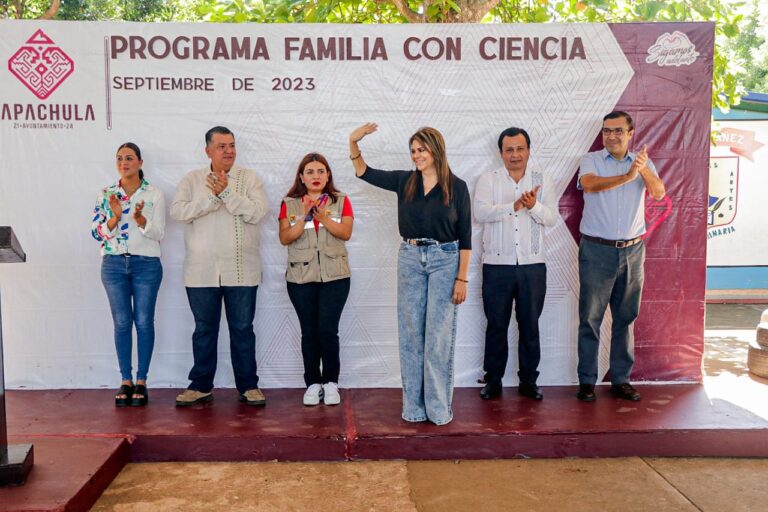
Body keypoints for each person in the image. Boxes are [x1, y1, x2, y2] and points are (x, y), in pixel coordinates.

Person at [349, 123, 471, 426]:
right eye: (413, 151)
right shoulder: (405, 181)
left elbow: (466, 237)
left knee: (438, 336)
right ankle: (414, 408)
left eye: (422, 149)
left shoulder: (457, 187)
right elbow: (364, 172)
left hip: (446, 259)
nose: (416, 155)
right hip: (411, 258)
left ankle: (439, 408)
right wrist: (353, 142)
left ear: (436, 149)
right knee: (411, 336)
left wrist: (462, 278)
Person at [170, 126, 268, 407]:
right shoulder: (192, 180)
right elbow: (178, 212)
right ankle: (200, 385)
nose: (229, 151)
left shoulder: (248, 178)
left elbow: (258, 212)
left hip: (241, 268)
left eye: (232, 145)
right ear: (208, 151)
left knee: (242, 328)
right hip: (201, 271)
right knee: (204, 329)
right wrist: (212, 199)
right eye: (222, 146)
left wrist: (226, 194)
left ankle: (249, 386)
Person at [576, 111, 665, 402]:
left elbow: (659, 193)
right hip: (596, 249)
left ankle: (621, 380)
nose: (611, 136)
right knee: (590, 318)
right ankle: (587, 382)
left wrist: (643, 169)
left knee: (626, 317)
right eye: (606, 131)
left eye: (617, 131)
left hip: (632, 250)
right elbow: (590, 184)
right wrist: (628, 175)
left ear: (630, 133)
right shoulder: (591, 160)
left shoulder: (643, 162)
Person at [474, 127, 559, 401]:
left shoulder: (541, 179)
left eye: (520, 148)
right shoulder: (488, 180)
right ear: (501, 153)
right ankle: (494, 380)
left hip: (533, 266)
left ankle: (529, 381)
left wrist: (533, 206)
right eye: (509, 149)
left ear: (529, 150)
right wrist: (513, 206)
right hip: (497, 266)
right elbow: (480, 213)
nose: (515, 154)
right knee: (496, 324)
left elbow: (551, 218)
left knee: (529, 324)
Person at [91, 142, 165, 407]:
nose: (124, 162)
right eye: (120, 158)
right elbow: (95, 232)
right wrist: (114, 217)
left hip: (146, 264)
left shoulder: (154, 194)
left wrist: (141, 221)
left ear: (140, 163)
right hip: (113, 264)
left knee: (144, 321)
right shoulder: (106, 193)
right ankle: (125, 379)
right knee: (122, 322)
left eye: (130, 158)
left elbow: (159, 234)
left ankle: (142, 381)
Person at [278, 153, 353, 406]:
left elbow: (345, 232)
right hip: (300, 278)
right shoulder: (290, 203)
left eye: (321, 171)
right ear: (301, 176)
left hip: (336, 277)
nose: (316, 176)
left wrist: (323, 218)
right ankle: (312, 382)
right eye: (310, 172)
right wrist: (306, 217)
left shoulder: (340, 201)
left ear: (328, 174)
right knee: (309, 332)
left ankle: (331, 383)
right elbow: (285, 238)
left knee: (328, 330)